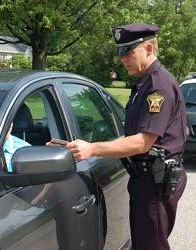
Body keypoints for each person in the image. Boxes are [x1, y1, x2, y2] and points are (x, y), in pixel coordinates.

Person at [66, 23, 187, 250]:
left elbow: (143, 141)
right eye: (121, 52)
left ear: (149, 49)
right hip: (147, 179)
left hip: (155, 182)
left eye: (128, 52)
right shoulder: (145, 83)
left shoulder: (157, 86)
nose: (122, 58)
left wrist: (92, 149)